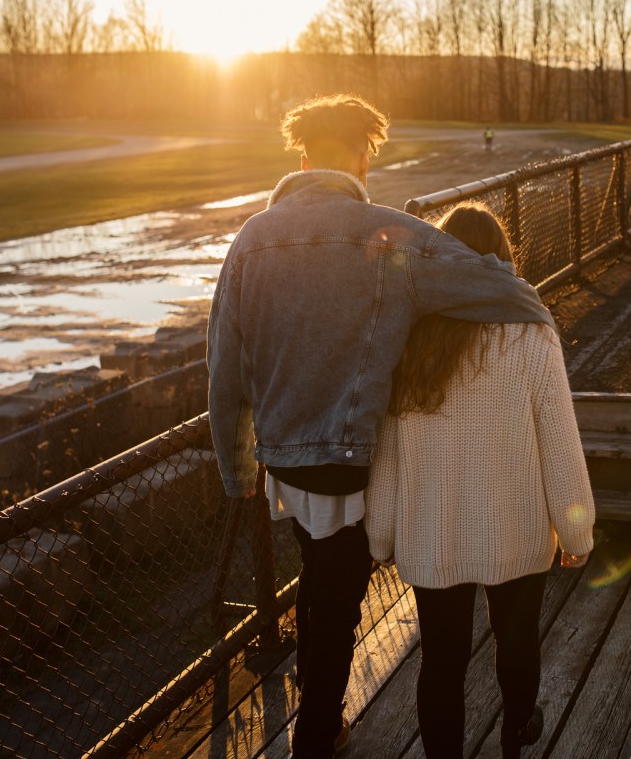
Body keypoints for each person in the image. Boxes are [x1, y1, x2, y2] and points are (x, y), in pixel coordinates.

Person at [207, 94, 554, 759]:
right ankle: (314, 733)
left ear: (303, 155)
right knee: (339, 593)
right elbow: (495, 284)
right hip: (354, 454)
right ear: (364, 155)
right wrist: (536, 322)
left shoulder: (249, 240)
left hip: (285, 459)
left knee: (321, 576)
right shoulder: (394, 234)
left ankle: (318, 713)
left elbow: (224, 367)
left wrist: (237, 465)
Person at [365, 203, 596, 759]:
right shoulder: (531, 331)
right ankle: (517, 734)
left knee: (440, 659)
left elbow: (387, 448)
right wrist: (578, 533)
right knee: (517, 641)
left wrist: (379, 532)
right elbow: (560, 442)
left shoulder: (412, 335)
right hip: (514, 526)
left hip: (433, 528)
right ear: (502, 258)